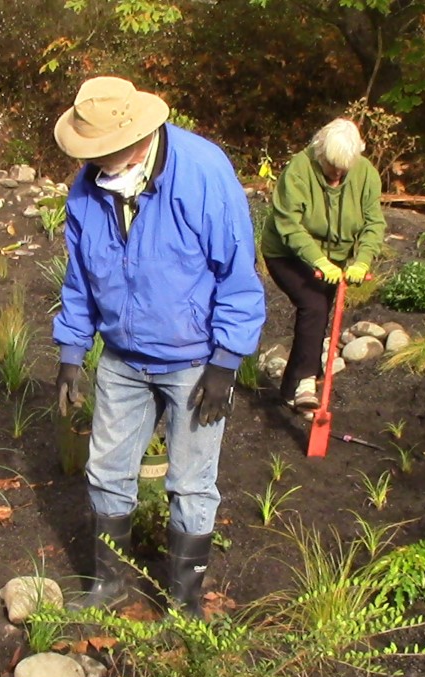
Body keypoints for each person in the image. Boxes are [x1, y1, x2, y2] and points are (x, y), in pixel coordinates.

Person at [51, 76, 265, 617]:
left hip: (195, 361)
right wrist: (71, 353)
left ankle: (184, 600)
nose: (95, 163)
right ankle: (109, 584)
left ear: (137, 136)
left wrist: (225, 364)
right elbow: (81, 278)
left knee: (191, 485)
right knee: (106, 470)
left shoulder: (202, 174)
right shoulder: (88, 188)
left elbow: (238, 275)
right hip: (123, 356)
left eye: (103, 152)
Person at [260, 118, 384, 416]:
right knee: (313, 306)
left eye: (345, 168)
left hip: (335, 262)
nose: (338, 174)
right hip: (287, 254)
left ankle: (290, 392)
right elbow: (289, 225)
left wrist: (362, 259)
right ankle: (306, 383)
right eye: (332, 166)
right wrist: (318, 260)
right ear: (320, 152)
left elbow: (373, 223)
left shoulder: (366, 174)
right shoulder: (299, 170)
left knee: (316, 317)